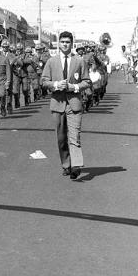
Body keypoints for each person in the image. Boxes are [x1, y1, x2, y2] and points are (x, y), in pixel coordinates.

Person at [41, 31, 91, 180]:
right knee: (61, 138)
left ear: (71, 44)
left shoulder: (79, 61)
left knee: (74, 136)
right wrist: (56, 84)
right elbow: (44, 81)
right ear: (59, 44)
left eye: (67, 42)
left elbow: (87, 81)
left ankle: (76, 166)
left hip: (74, 104)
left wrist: (73, 87)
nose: (65, 44)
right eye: (62, 42)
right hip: (57, 104)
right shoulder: (51, 61)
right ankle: (66, 165)